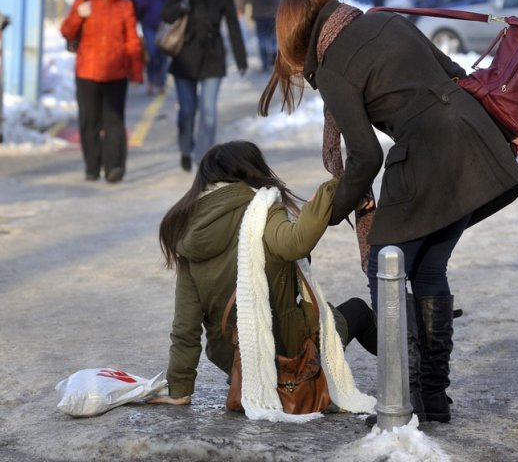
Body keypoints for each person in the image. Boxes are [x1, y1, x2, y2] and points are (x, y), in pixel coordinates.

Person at [258, 0, 518, 424]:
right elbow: (456, 73)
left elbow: (365, 155)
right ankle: (432, 399)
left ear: (294, 30)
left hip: (424, 156)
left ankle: (399, 399)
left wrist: (329, 213)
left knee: (383, 268)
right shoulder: (386, 20)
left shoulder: (333, 69)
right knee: (428, 270)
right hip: (473, 146)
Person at [149, 140, 377, 413]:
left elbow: (185, 327)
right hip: (285, 350)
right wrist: (330, 190)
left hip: (236, 358)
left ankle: (251, 380)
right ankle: (413, 372)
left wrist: (179, 388)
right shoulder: (261, 210)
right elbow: (296, 243)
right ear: (252, 171)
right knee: (357, 311)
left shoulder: (188, 233)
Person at [160, 0, 248, 172]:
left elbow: (232, 24)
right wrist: (181, 7)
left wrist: (241, 58)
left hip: (212, 56)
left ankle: (203, 157)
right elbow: (165, 15)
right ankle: (185, 147)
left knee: (208, 110)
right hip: (184, 57)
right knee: (188, 109)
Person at [60, 0, 144, 183]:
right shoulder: (83, 1)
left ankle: (114, 166)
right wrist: (79, 15)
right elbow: (66, 31)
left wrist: (136, 71)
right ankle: (92, 166)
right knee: (89, 122)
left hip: (116, 74)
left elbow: (132, 41)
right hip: (87, 73)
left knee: (114, 122)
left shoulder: (125, 5)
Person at [134, 0, 175, 95]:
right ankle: (151, 80)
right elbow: (135, 0)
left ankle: (161, 82)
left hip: (165, 25)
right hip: (148, 23)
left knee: (163, 54)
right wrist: (141, 4)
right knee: (151, 53)